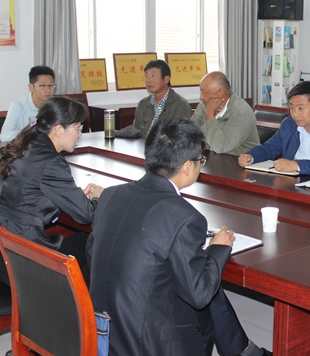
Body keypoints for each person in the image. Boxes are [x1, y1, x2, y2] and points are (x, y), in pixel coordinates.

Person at [88, 118, 270, 356]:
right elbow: (199, 295)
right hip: (148, 343)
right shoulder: (185, 217)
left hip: (103, 329)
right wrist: (218, 248)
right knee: (207, 295)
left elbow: (91, 256)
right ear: (186, 167)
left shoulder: (110, 196)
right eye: (200, 160)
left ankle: (242, 350)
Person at [0, 96, 104, 285]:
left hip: (1, 254)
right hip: (24, 264)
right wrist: (98, 198)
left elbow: (29, 195)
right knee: (96, 243)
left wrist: (73, 197)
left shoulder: (26, 145)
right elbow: (87, 215)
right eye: (78, 127)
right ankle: (81, 303)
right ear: (58, 130)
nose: (80, 134)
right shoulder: (51, 162)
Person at [238, 81, 310, 176]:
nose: (295, 114)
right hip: (293, 182)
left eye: (301, 108)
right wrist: (251, 156)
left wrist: (296, 165)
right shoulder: (289, 124)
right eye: (292, 108)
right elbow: (269, 148)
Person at [191, 71, 260, 155]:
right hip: (213, 159)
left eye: (204, 92)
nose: (201, 97)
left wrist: (209, 115)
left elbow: (220, 147)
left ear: (220, 92)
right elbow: (190, 133)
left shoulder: (241, 112)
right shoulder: (203, 106)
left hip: (237, 161)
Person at [130, 59, 192, 137]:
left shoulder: (180, 105)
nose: (148, 80)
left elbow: (184, 138)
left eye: (153, 76)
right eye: (146, 76)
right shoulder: (143, 104)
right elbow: (136, 133)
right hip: (143, 144)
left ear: (166, 79)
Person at [0, 66, 56, 142]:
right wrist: (31, 133)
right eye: (42, 85)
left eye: (51, 85)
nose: (48, 90)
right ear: (31, 87)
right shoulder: (18, 106)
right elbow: (4, 136)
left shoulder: (57, 106)